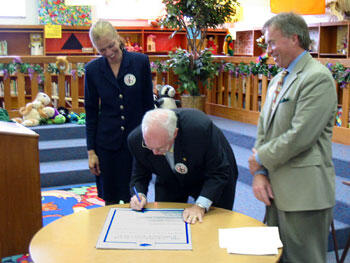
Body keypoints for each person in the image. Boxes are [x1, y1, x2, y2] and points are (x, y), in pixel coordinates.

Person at [248, 12, 337, 263]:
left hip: (304, 195)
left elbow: (301, 136)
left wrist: (260, 158)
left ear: (294, 39)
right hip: (275, 191)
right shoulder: (278, 79)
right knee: (277, 258)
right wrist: (260, 173)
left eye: (272, 42)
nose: (268, 50)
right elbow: (263, 130)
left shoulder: (317, 78)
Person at [84, 20, 154, 205]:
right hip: (106, 145)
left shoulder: (140, 62)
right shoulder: (92, 70)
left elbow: (148, 105)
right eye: (102, 50)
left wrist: (150, 140)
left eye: (111, 46)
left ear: (117, 37)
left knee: (137, 197)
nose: (108, 53)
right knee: (111, 200)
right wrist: (91, 151)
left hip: (135, 142)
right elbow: (90, 113)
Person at [128, 108, 238, 224]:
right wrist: (139, 194)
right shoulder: (137, 140)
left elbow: (219, 171)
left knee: (213, 223)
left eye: (160, 148)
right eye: (150, 147)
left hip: (211, 173)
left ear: (174, 133)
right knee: (165, 221)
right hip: (170, 175)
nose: (155, 153)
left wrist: (200, 205)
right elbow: (139, 175)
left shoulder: (199, 129)